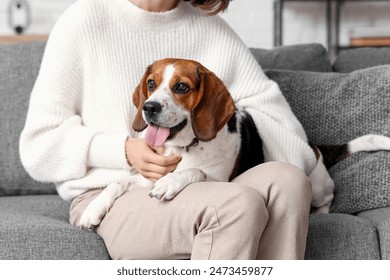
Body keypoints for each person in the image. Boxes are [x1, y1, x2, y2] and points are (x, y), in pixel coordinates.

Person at [19, 0, 317, 259]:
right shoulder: (85, 19)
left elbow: (286, 136)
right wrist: (123, 151)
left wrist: (211, 136)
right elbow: (38, 145)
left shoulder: (213, 30)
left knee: (289, 181)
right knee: (237, 204)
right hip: (114, 196)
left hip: (204, 181)